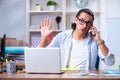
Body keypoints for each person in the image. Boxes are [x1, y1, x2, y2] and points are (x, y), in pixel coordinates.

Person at [38, 8, 115, 70]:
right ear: (76, 20)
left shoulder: (95, 40)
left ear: (91, 25)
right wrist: (44, 37)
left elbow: (110, 62)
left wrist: (99, 40)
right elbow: (42, 57)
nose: (84, 26)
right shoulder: (62, 37)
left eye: (88, 23)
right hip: (65, 77)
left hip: (88, 77)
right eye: (81, 21)